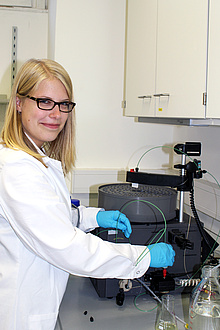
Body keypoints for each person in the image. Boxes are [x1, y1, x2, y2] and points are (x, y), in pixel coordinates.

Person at [0, 58, 175, 330]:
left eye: (64, 104)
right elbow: (68, 248)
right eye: (44, 101)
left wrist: (92, 217)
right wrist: (143, 257)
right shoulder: (16, 169)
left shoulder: (35, 155)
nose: (56, 114)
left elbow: (48, 215)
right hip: (20, 314)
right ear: (20, 103)